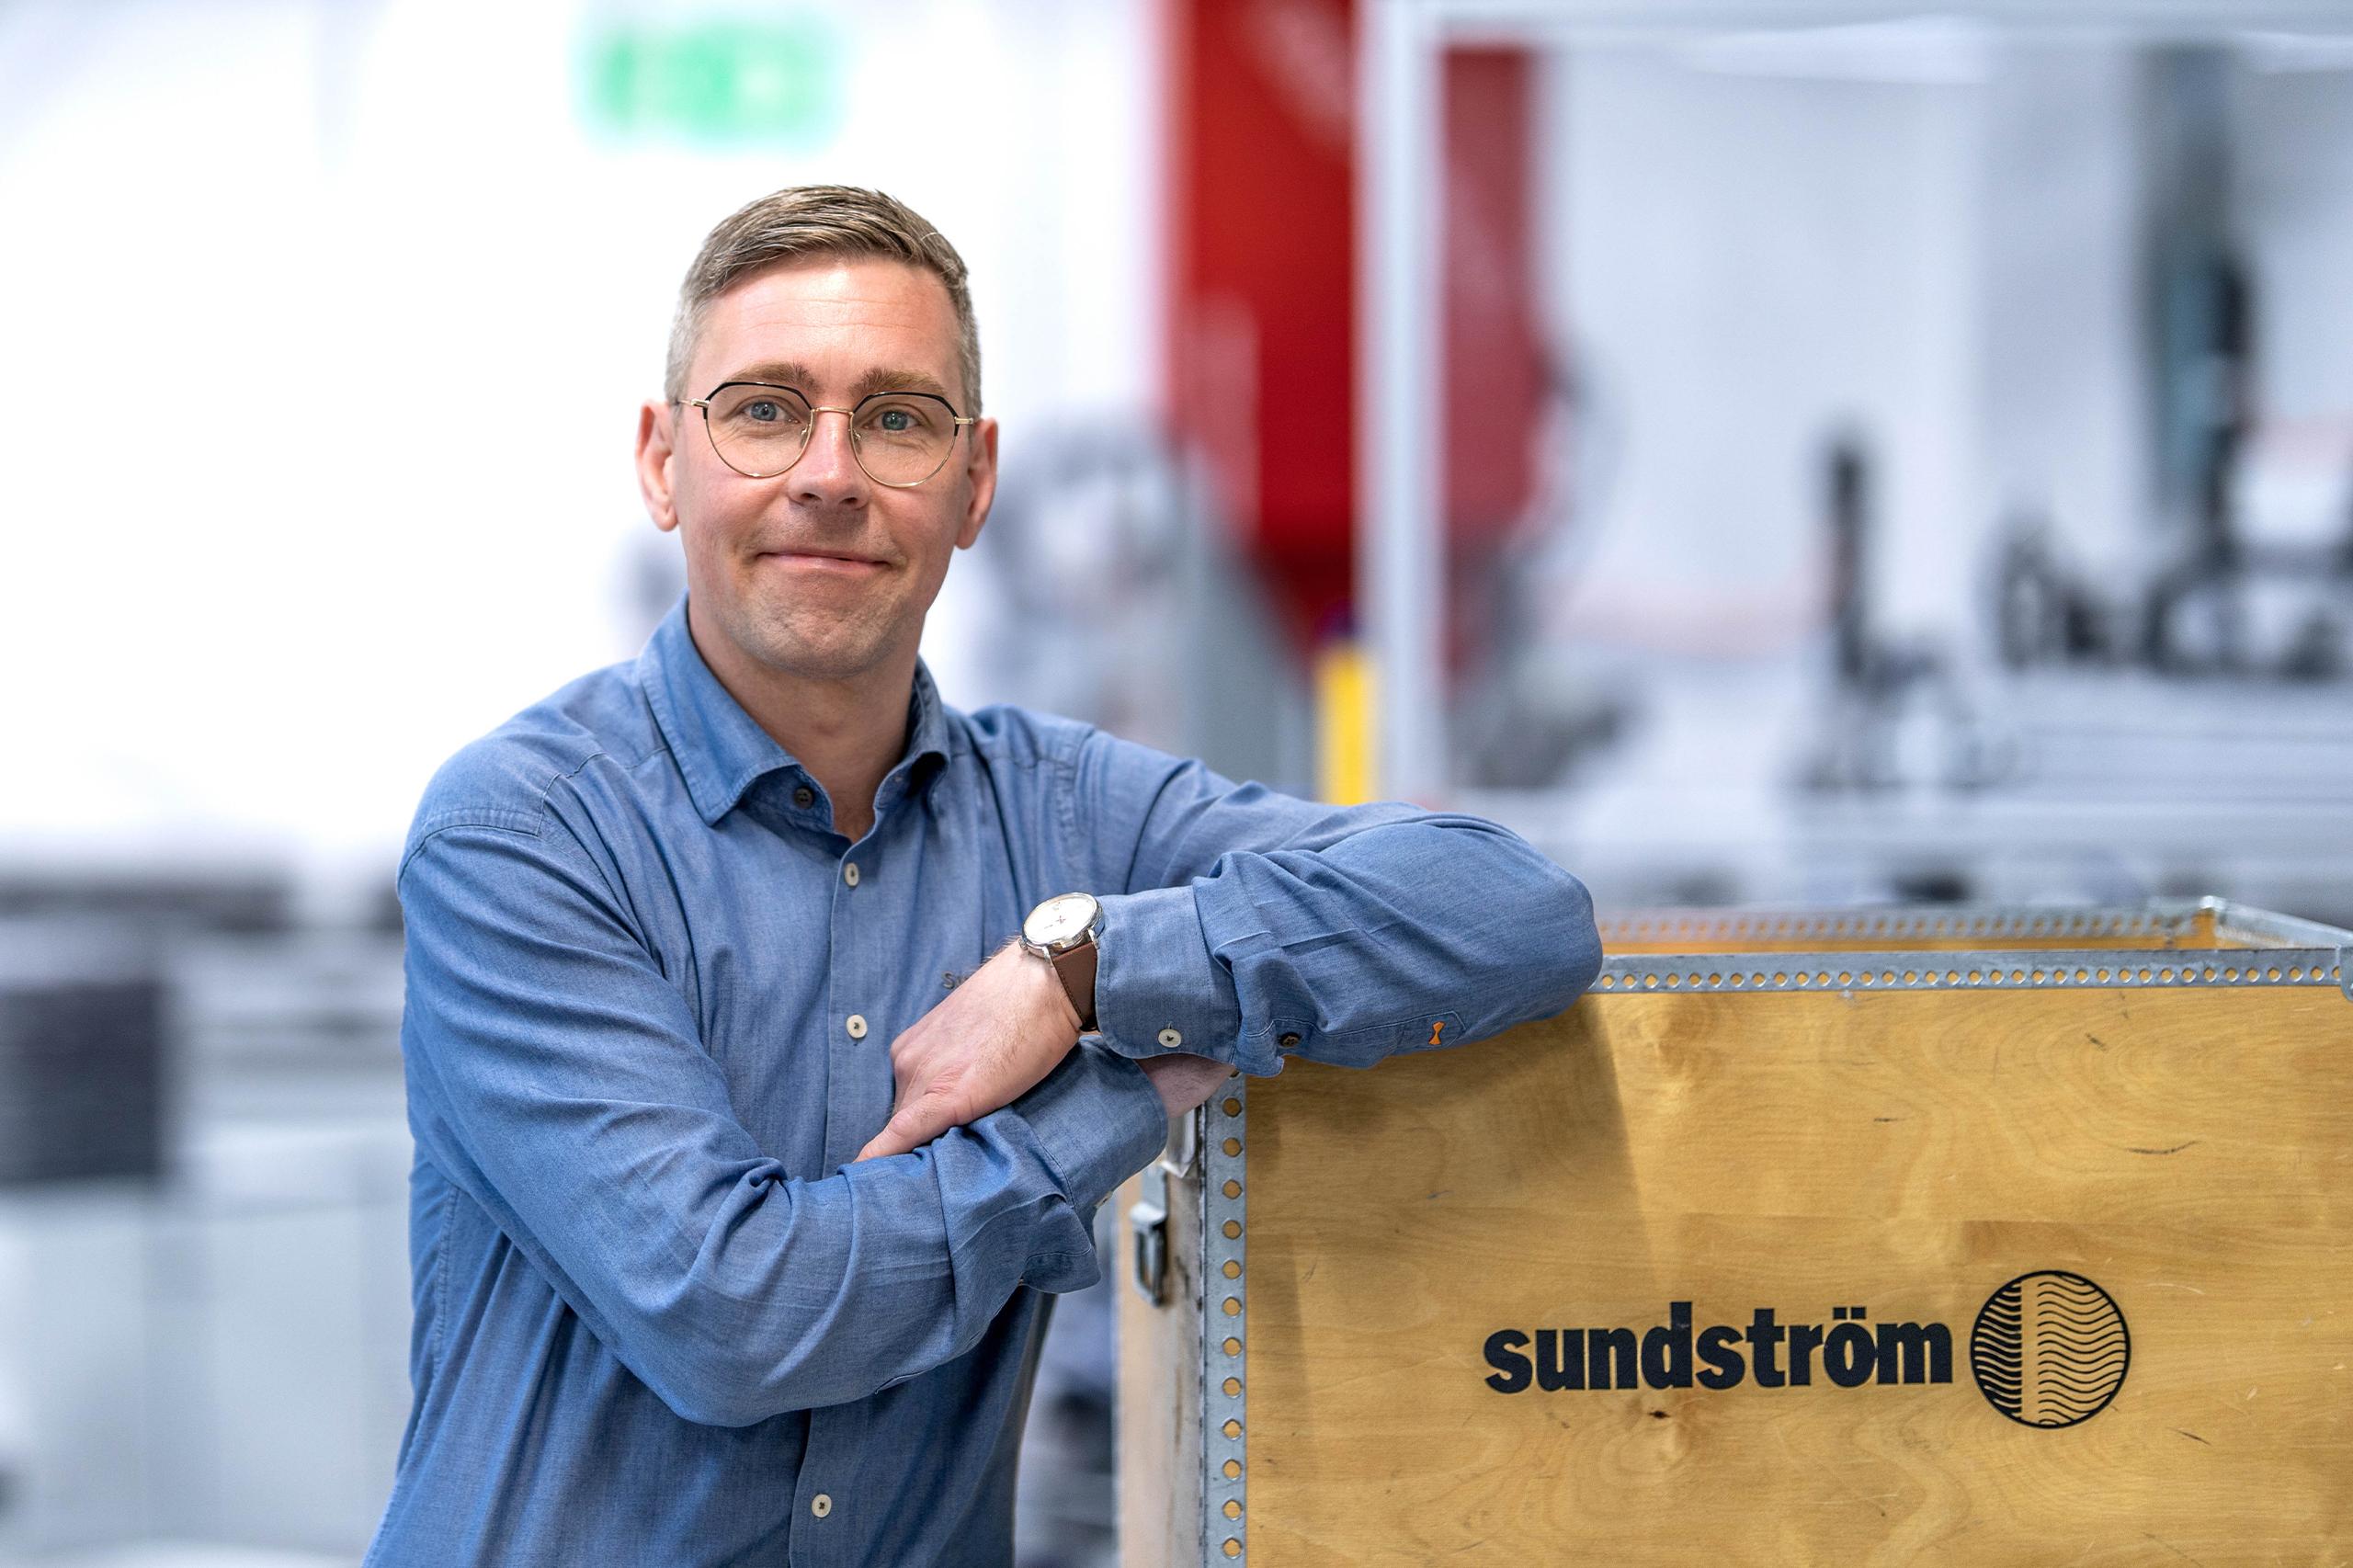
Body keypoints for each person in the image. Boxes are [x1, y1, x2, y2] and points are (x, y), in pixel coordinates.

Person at [362, 184, 1600, 1568]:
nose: (830, 471)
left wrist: (1079, 969)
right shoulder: (527, 828)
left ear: (976, 481)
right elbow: (732, 1314)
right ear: (663, 461)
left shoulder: (1065, 812)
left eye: (896, 418)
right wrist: (1111, 1093)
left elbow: (1514, 909)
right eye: (765, 409)